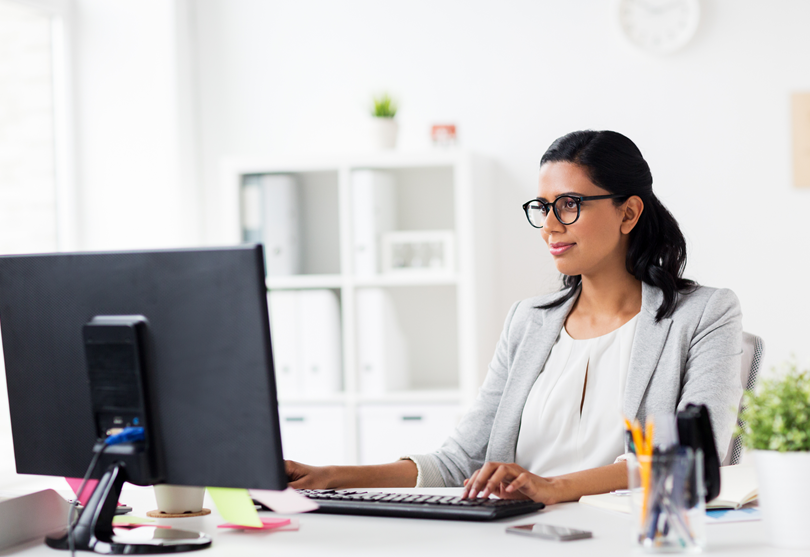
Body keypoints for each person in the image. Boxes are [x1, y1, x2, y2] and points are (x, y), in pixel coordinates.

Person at [285, 130, 743, 505]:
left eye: (569, 204)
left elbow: (691, 458)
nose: (549, 225)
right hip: (513, 537)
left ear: (628, 212)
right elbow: (460, 462)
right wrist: (330, 475)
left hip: (626, 540)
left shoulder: (704, 314)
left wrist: (551, 488)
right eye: (543, 207)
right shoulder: (528, 321)